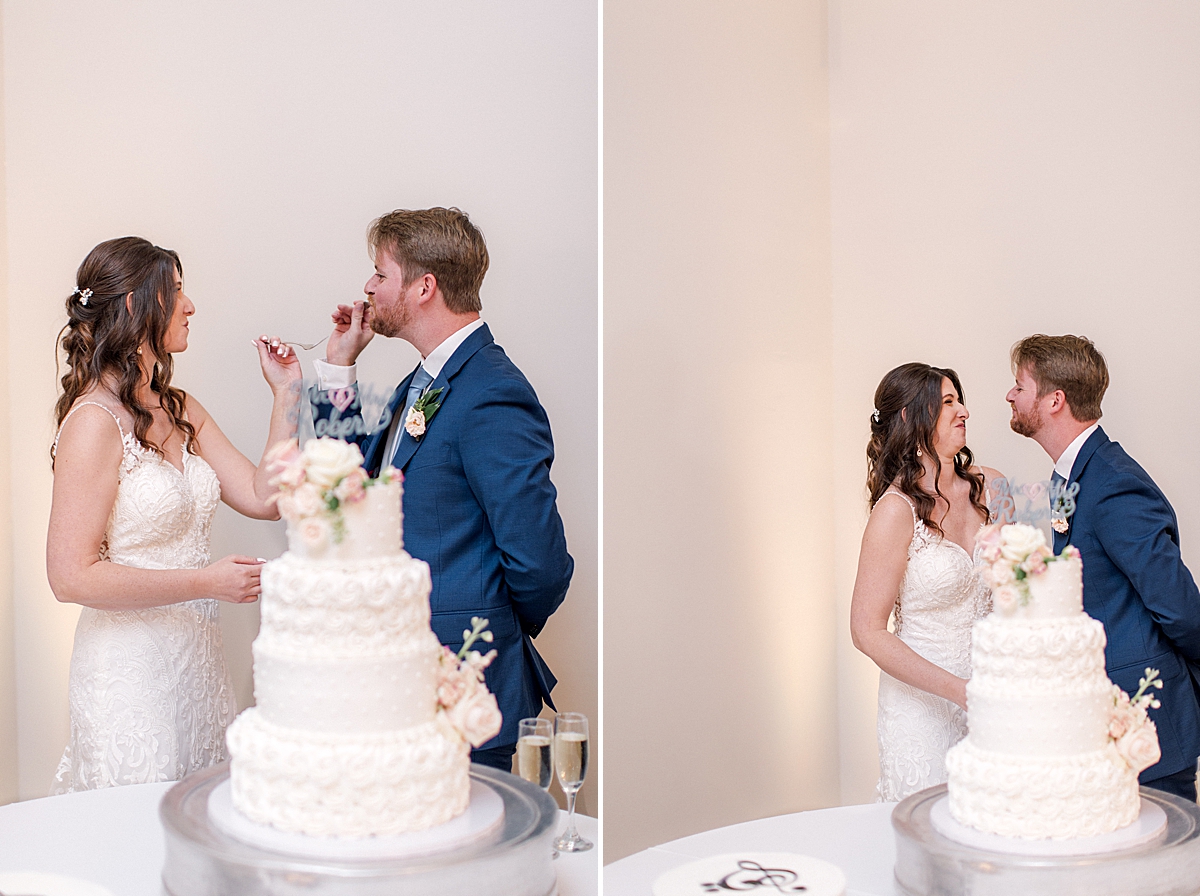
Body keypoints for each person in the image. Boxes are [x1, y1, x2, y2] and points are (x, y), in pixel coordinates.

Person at [299, 207, 573, 772]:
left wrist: (478, 619)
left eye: (380, 273)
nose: (368, 288)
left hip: (464, 694)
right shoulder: (422, 381)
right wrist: (338, 369)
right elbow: (349, 493)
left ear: (424, 287)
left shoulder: (492, 393)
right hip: (397, 684)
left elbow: (540, 564)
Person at [47, 236, 301, 792]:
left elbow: (264, 495)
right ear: (138, 306)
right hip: (129, 675)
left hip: (198, 668)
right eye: (177, 292)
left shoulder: (180, 409)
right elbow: (70, 576)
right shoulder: (94, 422)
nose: (189, 306)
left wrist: (286, 395)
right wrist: (205, 581)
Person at [1007, 334, 1200, 801]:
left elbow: (1179, 607)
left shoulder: (1113, 483)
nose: (1010, 395)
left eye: (1020, 385)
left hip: (1145, 729)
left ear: (1055, 400)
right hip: (1096, 727)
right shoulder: (1077, 476)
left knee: (1160, 873)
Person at [850, 363, 1000, 801]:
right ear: (909, 419)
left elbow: (1033, 583)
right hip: (922, 712)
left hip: (994, 705)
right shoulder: (895, 512)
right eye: (948, 402)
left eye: (960, 399)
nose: (964, 411)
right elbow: (866, 632)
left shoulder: (996, 488)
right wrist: (960, 692)